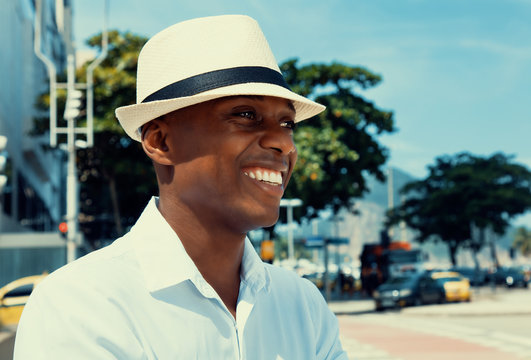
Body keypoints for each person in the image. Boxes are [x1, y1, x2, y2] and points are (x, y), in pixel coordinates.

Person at [14, 15, 348, 359]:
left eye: (287, 123)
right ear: (160, 141)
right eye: (245, 114)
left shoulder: (302, 304)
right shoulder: (82, 305)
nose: (284, 143)